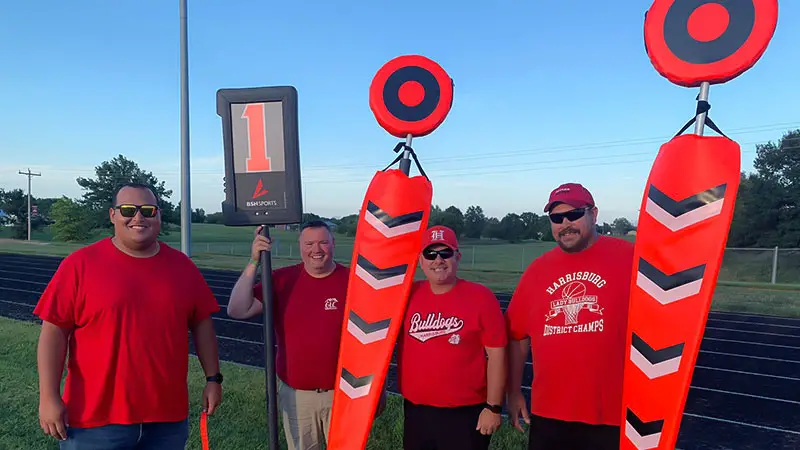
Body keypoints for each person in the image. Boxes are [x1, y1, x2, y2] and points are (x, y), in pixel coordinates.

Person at [34, 182, 223, 450]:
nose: (138, 217)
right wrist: (48, 396)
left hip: (166, 419)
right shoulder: (79, 265)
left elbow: (202, 323)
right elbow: (53, 332)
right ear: (113, 215)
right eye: (128, 210)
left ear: (158, 215)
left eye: (148, 210)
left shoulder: (183, 267)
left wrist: (213, 379)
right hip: (95, 420)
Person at [227, 220, 386, 450]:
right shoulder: (282, 280)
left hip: (344, 395)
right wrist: (254, 260)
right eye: (309, 243)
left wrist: (377, 387)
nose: (316, 250)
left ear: (334, 244)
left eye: (323, 242)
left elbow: (373, 337)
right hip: (298, 396)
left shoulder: (354, 281)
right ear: (300, 245)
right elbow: (237, 309)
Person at [504, 182, 635, 450]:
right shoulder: (537, 271)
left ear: (594, 214)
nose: (565, 224)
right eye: (556, 218)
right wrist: (514, 391)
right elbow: (517, 336)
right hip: (549, 412)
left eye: (574, 215)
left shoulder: (630, 257)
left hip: (612, 412)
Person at [396, 225, 508, 450]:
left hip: (465, 413)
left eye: (445, 253)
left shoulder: (480, 297)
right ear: (420, 260)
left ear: (457, 256)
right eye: (430, 254)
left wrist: (494, 407)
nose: (438, 260)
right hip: (417, 411)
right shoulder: (406, 296)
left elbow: (498, 355)